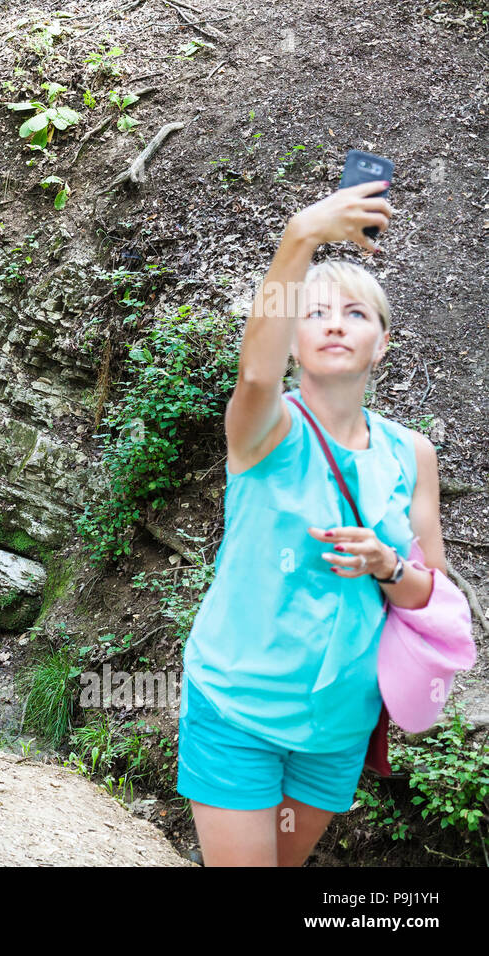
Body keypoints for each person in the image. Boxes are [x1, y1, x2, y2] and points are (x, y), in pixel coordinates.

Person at [178, 179, 448, 865]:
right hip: (239, 705)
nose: (334, 323)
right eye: (316, 312)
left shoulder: (410, 454)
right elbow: (257, 375)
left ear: (381, 344)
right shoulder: (264, 431)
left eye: (355, 313)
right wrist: (302, 234)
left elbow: (431, 596)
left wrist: (387, 566)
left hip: (339, 724)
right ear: (292, 337)